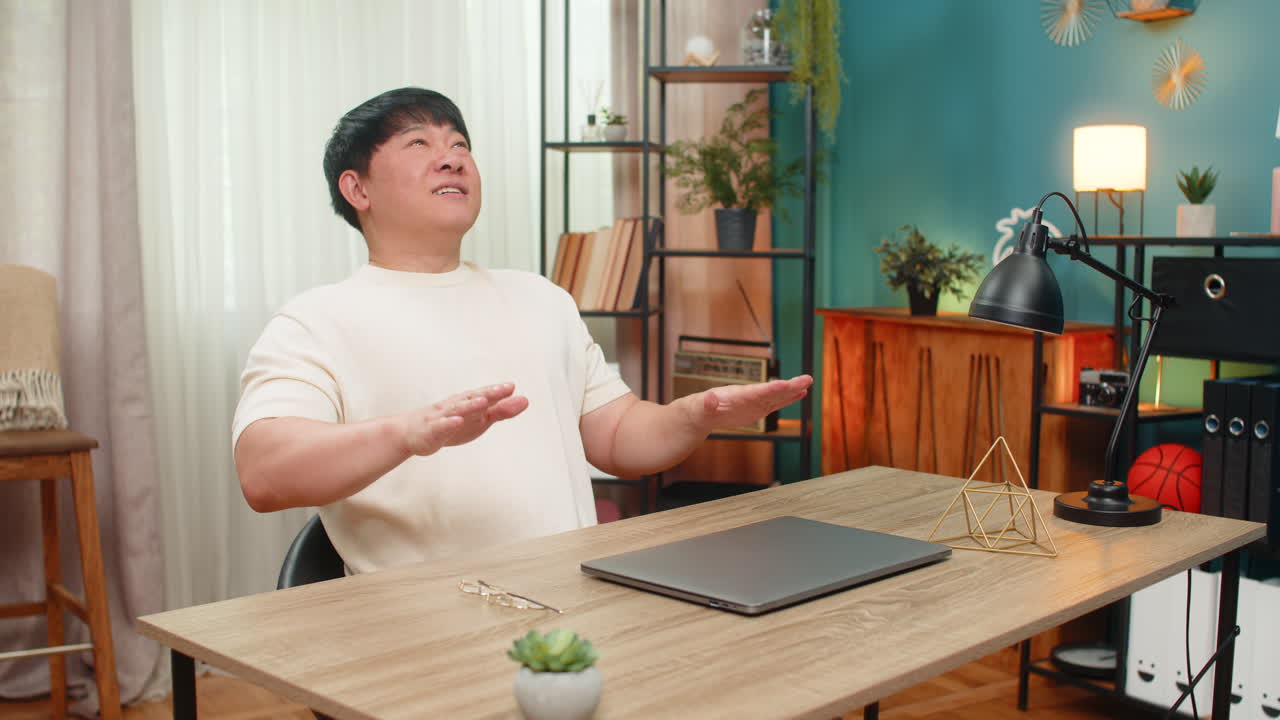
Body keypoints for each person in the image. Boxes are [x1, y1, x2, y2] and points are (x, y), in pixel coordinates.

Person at [232, 87, 812, 574]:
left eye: (460, 144)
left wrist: (695, 415)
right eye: (419, 144)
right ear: (357, 189)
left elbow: (616, 438)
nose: (452, 159)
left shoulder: (541, 298)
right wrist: (410, 433)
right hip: (425, 634)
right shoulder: (315, 321)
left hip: (573, 619)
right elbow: (264, 473)